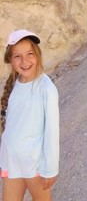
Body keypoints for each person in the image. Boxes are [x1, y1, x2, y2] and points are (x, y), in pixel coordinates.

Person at [0, 29, 59, 201]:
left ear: (38, 55)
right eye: (17, 56)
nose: (25, 61)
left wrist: (50, 169)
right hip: (12, 162)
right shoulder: (14, 84)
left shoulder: (46, 89)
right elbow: (11, 127)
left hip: (35, 166)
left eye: (30, 54)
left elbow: (51, 132)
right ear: (10, 60)